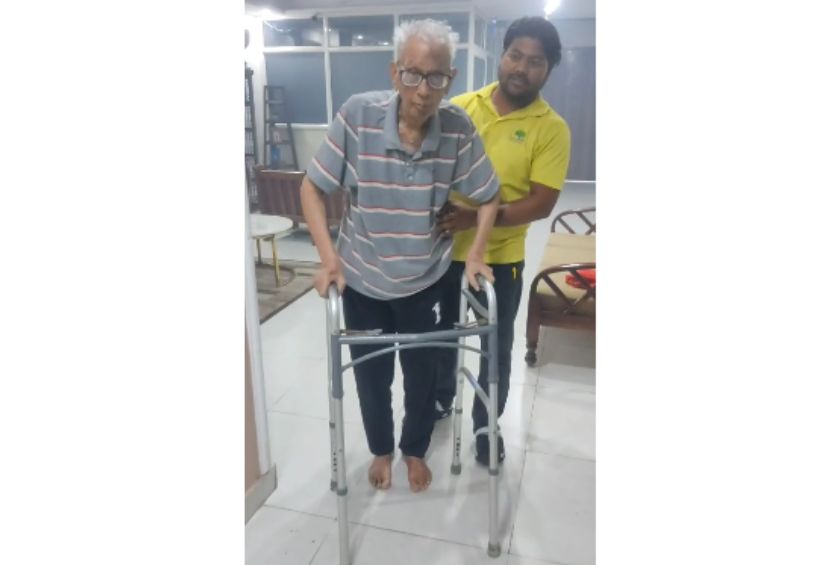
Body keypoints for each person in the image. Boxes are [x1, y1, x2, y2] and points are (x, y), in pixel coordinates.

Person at [300, 19, 500, 492]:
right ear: (395, 73)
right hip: (363, 276)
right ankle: (380, 450)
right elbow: (311, 187)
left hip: (426, 279)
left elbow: (489, 194)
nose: (423, 89)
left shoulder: (458, 128)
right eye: (412, 74)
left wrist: (475, 255)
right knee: (371, 376)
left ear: (450, 79)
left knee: (422, 376)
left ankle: (414, 450)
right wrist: (329, 259)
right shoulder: (357, 115)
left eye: (436, 77)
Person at [435, 16, 571, 466]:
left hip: (500, 258)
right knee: (439, 338)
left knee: (494, 348)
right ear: (502, 54)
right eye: (515, 55)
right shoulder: (460, 108)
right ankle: (438, 400)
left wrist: (474, 219)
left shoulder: (551, 128)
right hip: (440, 252)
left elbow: (541, 202)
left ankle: (484, 424)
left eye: (535, 62)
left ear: (548, 69)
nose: (521, 68)